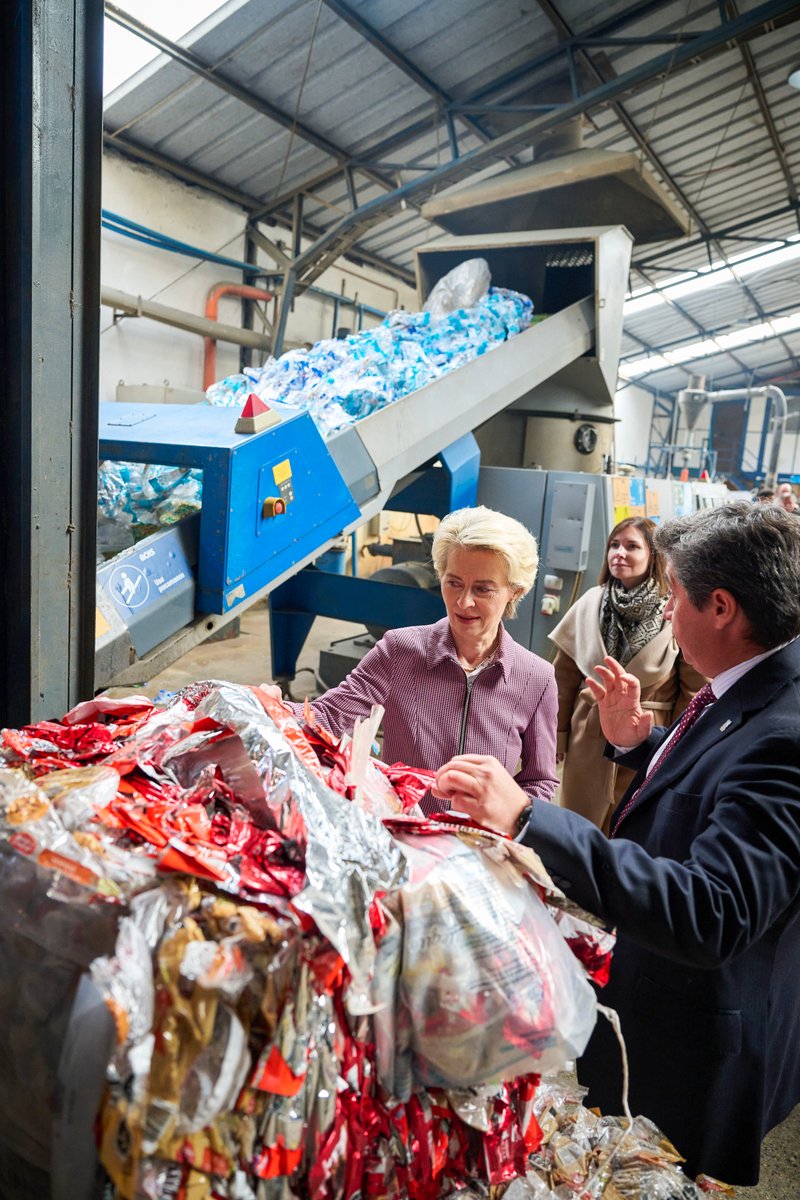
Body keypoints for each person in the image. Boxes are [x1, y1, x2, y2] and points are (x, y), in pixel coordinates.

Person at [431, 502, 800, 1187]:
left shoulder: (786, 735)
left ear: (721, 608)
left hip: (694, 1042)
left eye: (676, 597)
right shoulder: (753, 690)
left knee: (659, 1178)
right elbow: (722, 788)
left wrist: (528, 819)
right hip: (659, 998)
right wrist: (642, 744)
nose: (665, 611)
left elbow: (713, 909)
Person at [264, 505, 558, 813]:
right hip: (405, 836)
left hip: (480, 846)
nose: (463, 601)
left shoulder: (536, 678)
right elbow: (329, 716)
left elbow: (540, 780)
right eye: (453, 582)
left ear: (514, 591)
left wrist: (509, 822)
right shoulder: (400, 651)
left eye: (483, 589)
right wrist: (273, 707)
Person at [550, 516, 705, 831]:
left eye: (632, 546)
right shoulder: (589, 603)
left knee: (630, 825)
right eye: (614, 545)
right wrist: (558, 737)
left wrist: (674, 748)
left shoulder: (673, 610)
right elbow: (562, 681)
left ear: (653, 555)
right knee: (578, 822)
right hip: (588, 735)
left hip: (645, 737)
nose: (619, 553)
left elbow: (691, 691)